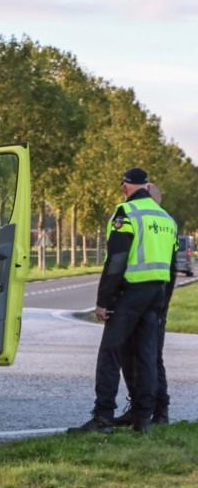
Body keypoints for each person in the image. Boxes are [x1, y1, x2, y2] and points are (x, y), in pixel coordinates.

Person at [69, 168, 177, 435]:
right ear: (147, 187)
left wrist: (103, 301)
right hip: (157, 294)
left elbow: (116, 261)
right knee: (147, 355)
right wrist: (164, 304)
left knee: (110, 353)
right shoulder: (166, 219)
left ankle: (103, 417)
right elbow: (173, 267)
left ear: (126, 187)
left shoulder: (125, 213)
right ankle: (143, 418)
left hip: (130, 293)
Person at [113, 181, 177, 425]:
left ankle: (158, 411)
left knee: (150, 357)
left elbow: (168, 270)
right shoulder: (163, 222)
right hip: (150, 299)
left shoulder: (159, 222)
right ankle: (142, 410)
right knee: (136, 355)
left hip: (147, 300)